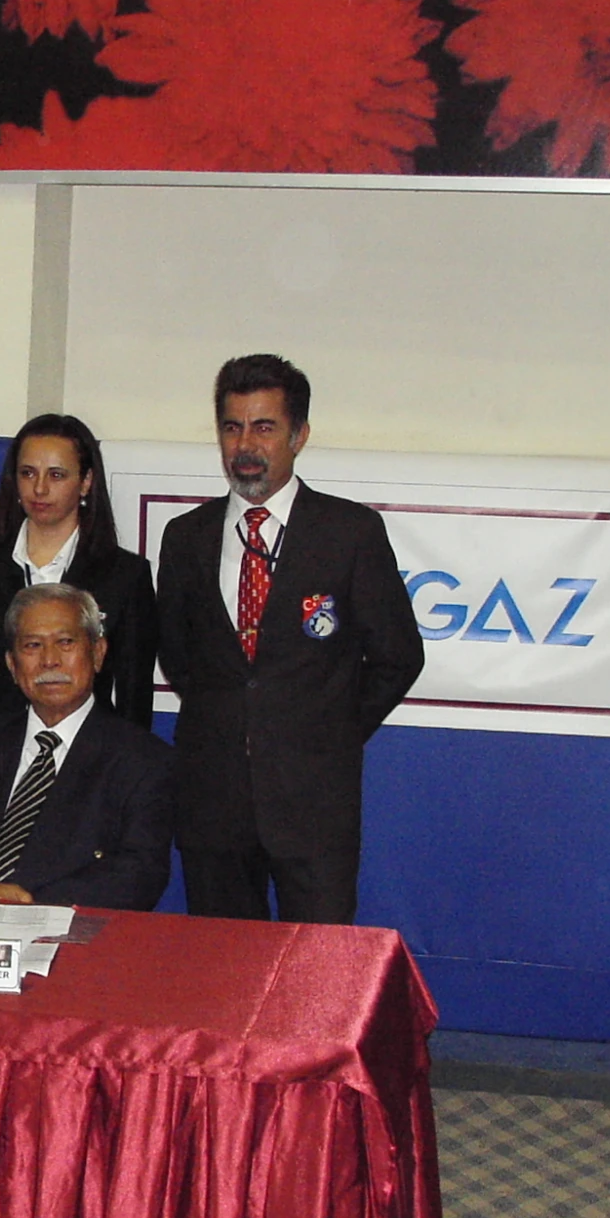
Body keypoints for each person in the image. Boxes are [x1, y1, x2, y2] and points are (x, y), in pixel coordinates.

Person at [157, 353, 424, 924]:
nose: (244, 444)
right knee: (224, 978)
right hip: (213, 803)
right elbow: (179, 656)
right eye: (232, 427)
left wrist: (327, 729)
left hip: (313, 806)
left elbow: (398, 655)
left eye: (263, 426)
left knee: (316, 978)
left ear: (299, 435)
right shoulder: (186, 538)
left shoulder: (349, 533)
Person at [0, 584, 173, 910]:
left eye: (65, 642)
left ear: (98, 653)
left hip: (70, 936)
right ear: (12, 666)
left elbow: (139, 874)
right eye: (32, 645)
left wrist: (24, 907)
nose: (49, 661)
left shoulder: (142, 759)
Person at [0, 414, 157, 744]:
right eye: (28, 473)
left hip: (88, 765)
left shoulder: (124, 576)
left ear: (85, 482)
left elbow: (134, 704)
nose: (39, 488)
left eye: (56, 475)